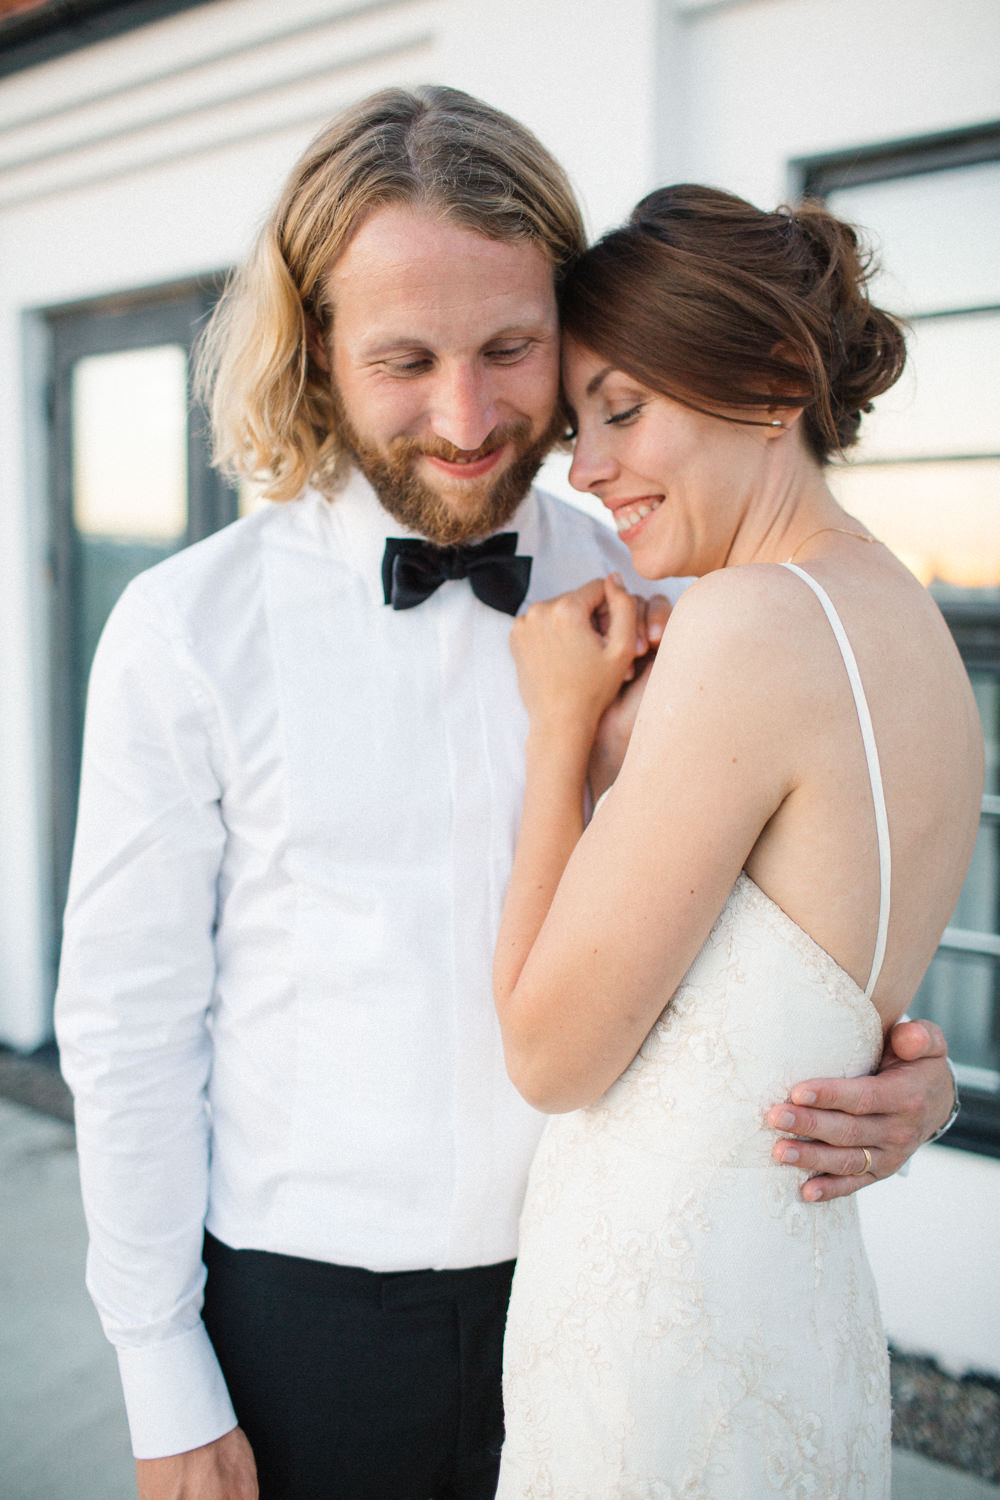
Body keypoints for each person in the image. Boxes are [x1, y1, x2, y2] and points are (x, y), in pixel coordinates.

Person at [54, 92, 960, 1500]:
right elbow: (125, 1029)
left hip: (607, 1313)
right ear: (317, 353)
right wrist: (161, 1369)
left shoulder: (682, 582)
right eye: (405, 359)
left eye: (511, 350)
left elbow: (792, 895)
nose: (470, 417)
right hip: (308, 1331)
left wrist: (899, 1076)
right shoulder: (187, 632)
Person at [492, 184, 984, 1497]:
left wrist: (559, 734)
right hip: (791, 1313)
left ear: (772, 383)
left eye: (623, 408)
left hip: (660, 1365)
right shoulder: (913, 627)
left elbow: (549, 1053)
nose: (586, 470)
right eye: (574, 430)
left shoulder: (750, 623)